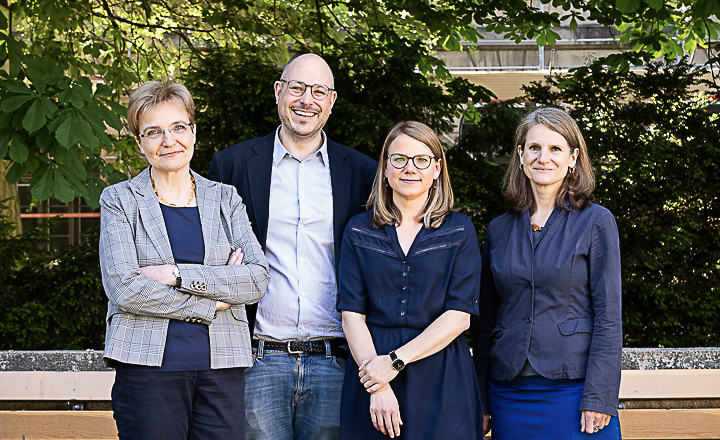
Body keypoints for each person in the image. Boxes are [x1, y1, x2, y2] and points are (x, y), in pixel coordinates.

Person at [207, 53, 377, 440]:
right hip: (257, 361)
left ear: (331, 101)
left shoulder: (362, 172)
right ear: (278, 92)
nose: (306, 100)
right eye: (297, 88)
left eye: (318, 91)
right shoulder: (232, 165)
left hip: (336, 361)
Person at [99, 81, 270, 440]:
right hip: (147, 370)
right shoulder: (120, 200)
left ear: (193, 131)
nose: (169, 140)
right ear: (139, 142)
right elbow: (124, 288)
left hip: (222, 369)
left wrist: (176, 274)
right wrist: (213, 301)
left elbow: (256, 279)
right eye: (154, 132)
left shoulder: (225, 198)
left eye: (178, 127)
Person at [471, 107, 623, 439]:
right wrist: (480, 399)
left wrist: (599, 397)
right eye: (534, 148)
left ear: (573, 158)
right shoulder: (499, 229)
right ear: (520, 155)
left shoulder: (596, 221)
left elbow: (609, 317)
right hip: (508, 392)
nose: (544, 157)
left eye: (555, 148)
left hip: (575, 390)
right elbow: (485, 322)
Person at [337, 121, 485, 439]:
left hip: (441, 375)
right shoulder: (358, 229)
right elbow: (351, 313)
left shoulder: (459, 230)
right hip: (370, 369)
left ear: (437, 169)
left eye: (421, 159)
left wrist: (394, 362)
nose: (410, 168)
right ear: (385, 167)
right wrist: (377, 383)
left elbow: (459, 317)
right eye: (399, 159)